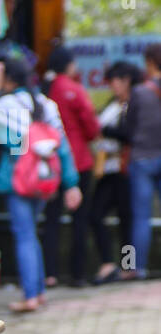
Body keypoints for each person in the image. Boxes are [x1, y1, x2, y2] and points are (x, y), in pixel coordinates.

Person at [0, 56, 80, 313]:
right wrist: (71, 183)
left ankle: (31, 295)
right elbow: (63, 147)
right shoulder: (47, 105)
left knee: (24, 236)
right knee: (31, 233)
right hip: (44, 180)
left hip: (19, 180)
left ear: (9, 78)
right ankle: (39, 292)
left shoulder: (5, 104)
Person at [41, 45, 101, 287]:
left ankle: (50, 274)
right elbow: (92, 128)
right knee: (79, 218)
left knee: (51, 219)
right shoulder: (74, 89)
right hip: (78, 163)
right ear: (68, 65)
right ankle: (78, 275)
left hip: (50, 162)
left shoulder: (44, 91)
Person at [90, 61, 139, 285]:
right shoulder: (112, 105)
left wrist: (106, 130)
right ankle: (108, 263)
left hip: (125, 169)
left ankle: (128, 267)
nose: (112, 87)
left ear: (126, 81)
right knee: (95, 214)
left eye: (115, 82)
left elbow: (130, 135)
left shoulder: (135, 103)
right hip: (106, 168)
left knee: (125, 220)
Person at [126, 44, 161, 278]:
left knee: (140, 216)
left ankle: (137, 269)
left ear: (149, 61)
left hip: (142, 159)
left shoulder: (139, 92)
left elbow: (128, 127)